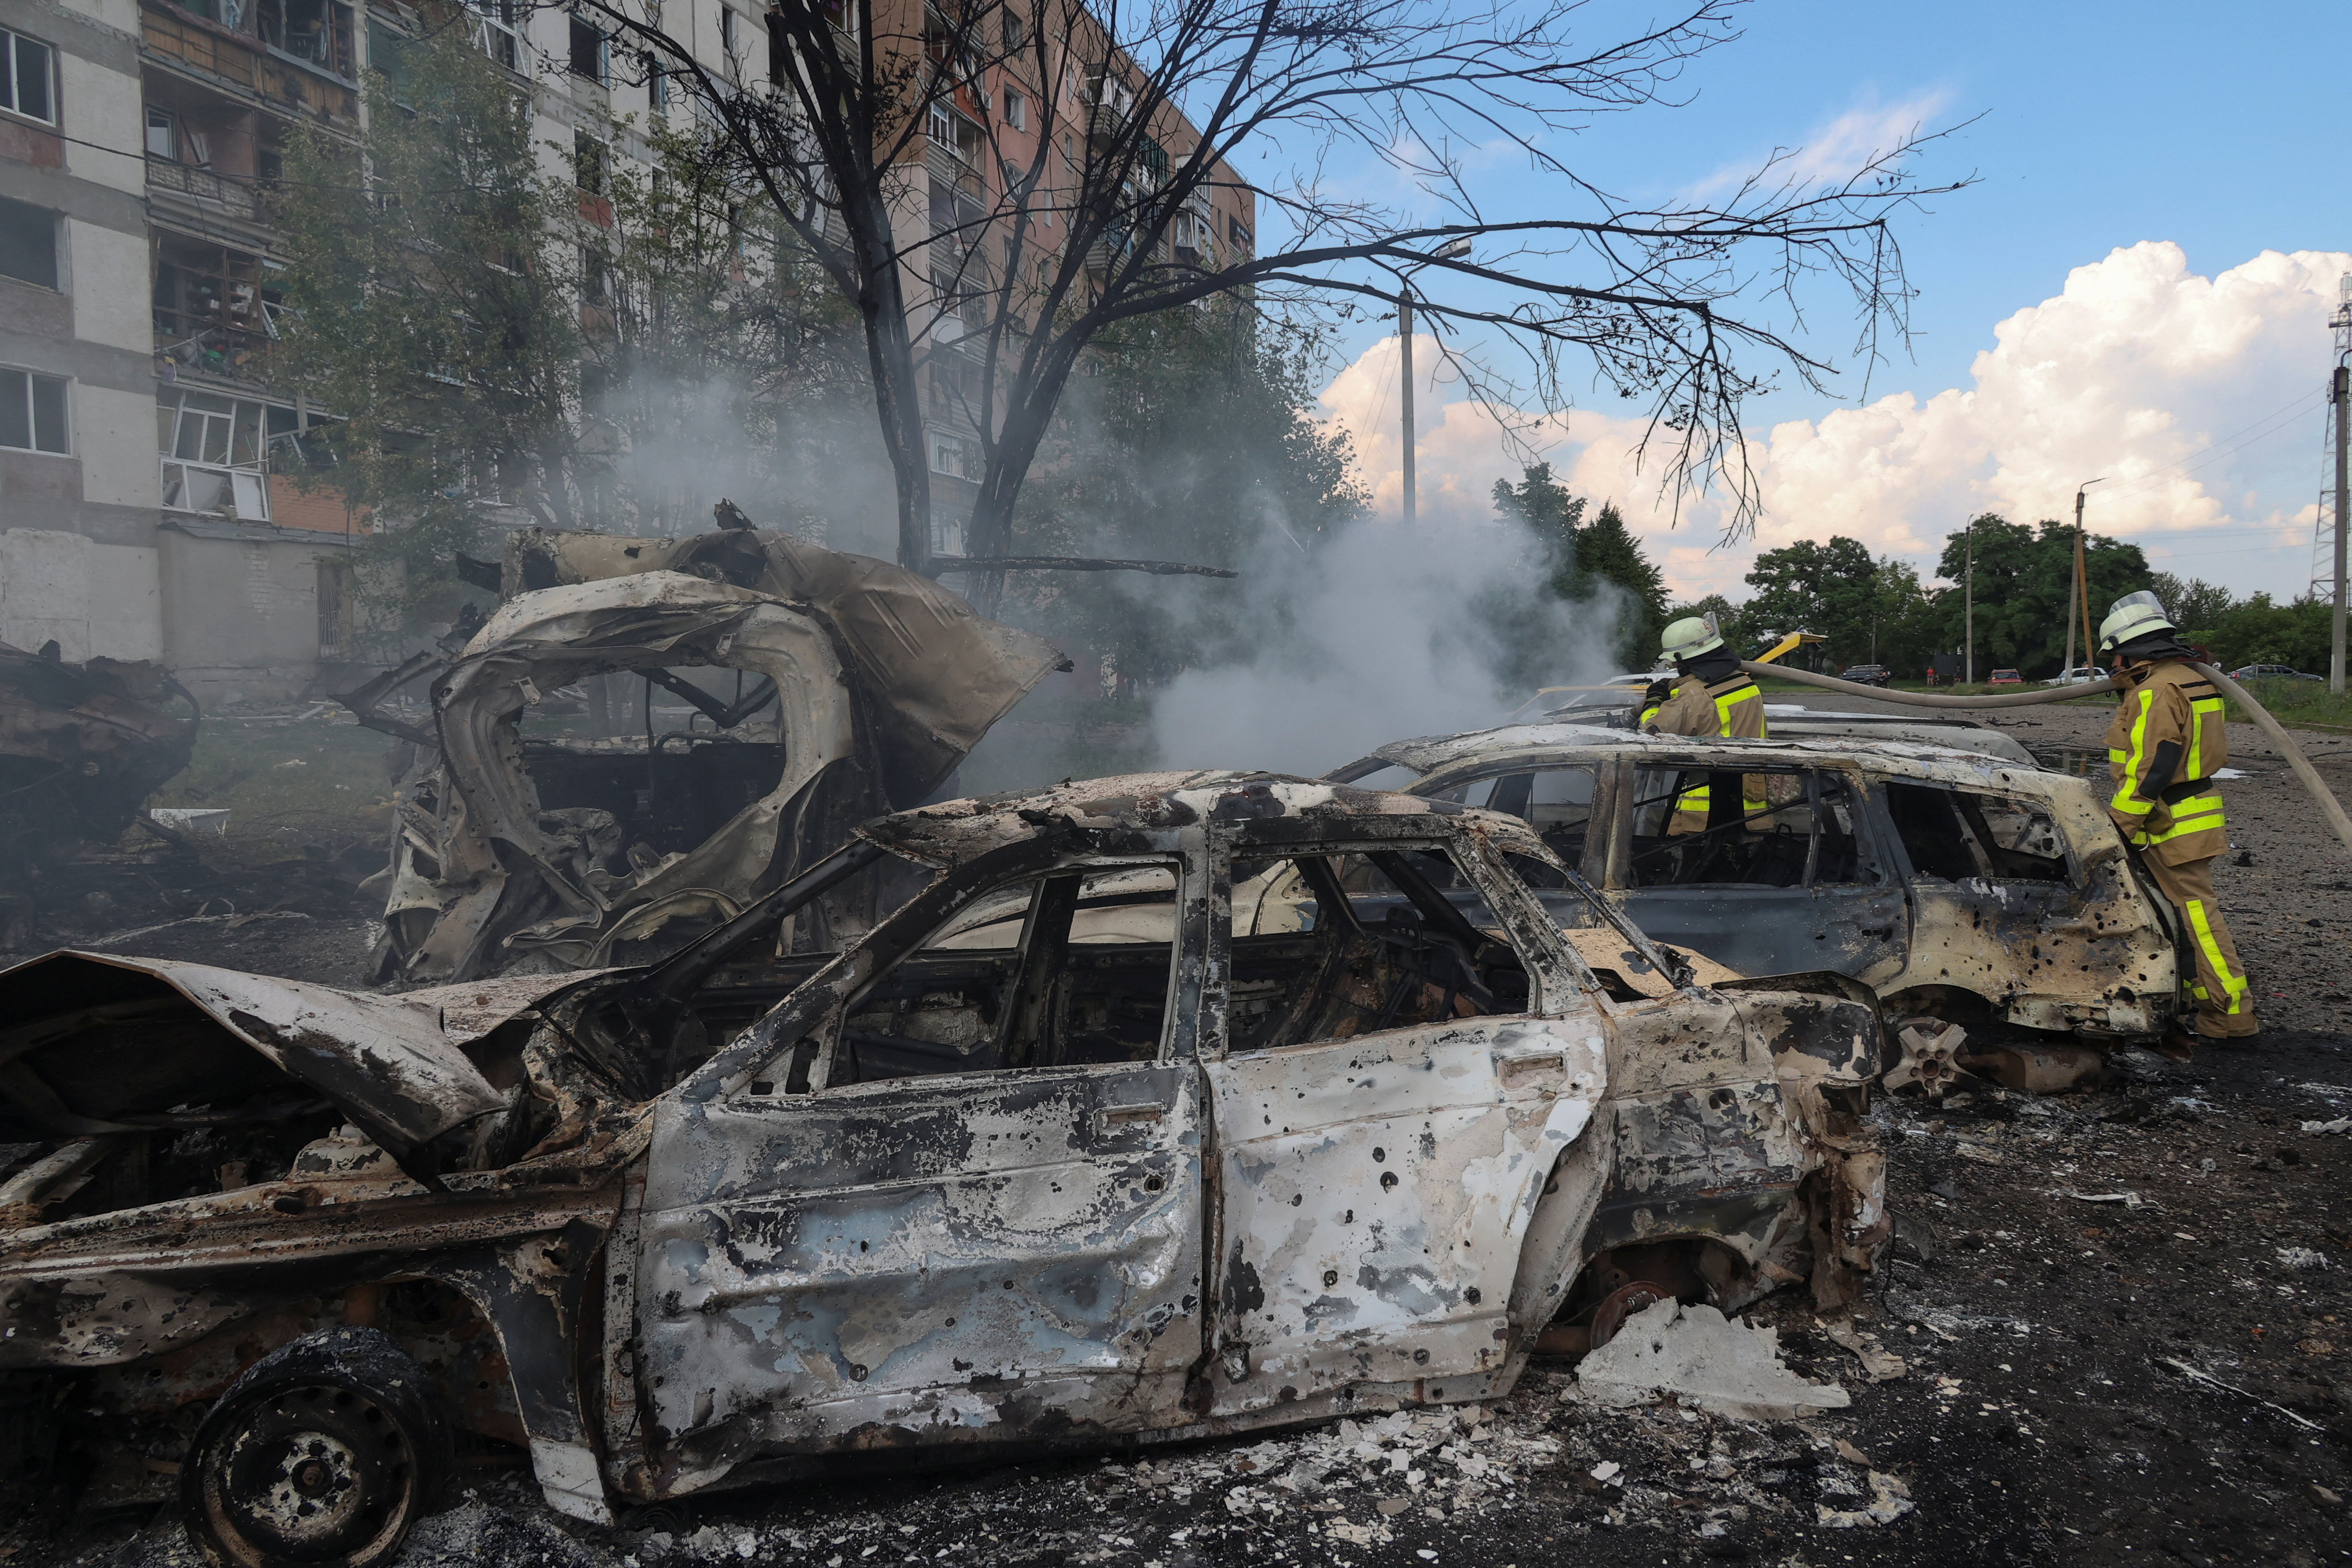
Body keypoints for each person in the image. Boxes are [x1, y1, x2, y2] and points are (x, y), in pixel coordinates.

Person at [2098, 589, 2256, 1053]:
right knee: (2183, 916)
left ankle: (2231, 1014)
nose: (2113, 667)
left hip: (2170, 820)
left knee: (2197, 920)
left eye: (2115, 657)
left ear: (2129, 650)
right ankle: (2207, 1005)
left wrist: (2118, 827)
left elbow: (2154, 768)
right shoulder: (2186, 678)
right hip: (2189, 813)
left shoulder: (2156, 691)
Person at [1640, 615, 1768, 835]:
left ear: (1685, 660)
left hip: (1704, 815)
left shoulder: (1695, 696)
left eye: (1676, 662)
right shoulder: (1745, 682)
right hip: (1753, 804)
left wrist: (1653, 700)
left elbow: (1650, 735)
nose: (1674, 666)